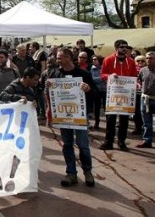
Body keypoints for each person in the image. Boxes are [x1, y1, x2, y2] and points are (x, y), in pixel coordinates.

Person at [47, 48, 96, 187]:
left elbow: (95, 93)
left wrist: (88, 89)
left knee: (82, 145)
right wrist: (48, 86)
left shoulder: (84, 74)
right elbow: (48, 91)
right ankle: (71, 173)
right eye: (57, 58)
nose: (57, 60)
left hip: (79, 115)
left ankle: (87, 171)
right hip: (63, 116)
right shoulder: (55, 73)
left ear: (69, 57)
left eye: (60, 57)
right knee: (67, 144)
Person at [99, 39, 138, 151]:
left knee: (124, 120)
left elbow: (134, 75)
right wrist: (110, 76)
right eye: (121, 47)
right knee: (110, 119)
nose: (124, 49)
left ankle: (122, 142)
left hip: (125, 94)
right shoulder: (108, 59)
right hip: (112, 93)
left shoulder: (131, 61)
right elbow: (102, 75)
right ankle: (108, 142)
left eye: (126, 46)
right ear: (116, 48)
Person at [137, 52, 155, 148]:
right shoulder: (142, 70)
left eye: (151, 58)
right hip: (145, 99)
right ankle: (147, 140)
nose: (149, 60)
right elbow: (139, 80)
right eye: (147, 58)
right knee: (146, 122)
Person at [90, 55, 106, 130]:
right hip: (97, 90)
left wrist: (103, 78)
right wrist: (103, 78)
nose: (93, 61)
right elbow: (93, 79)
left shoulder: (104, 67)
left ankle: (108, 123)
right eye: (92, 59)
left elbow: (107, 77)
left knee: (107, 108)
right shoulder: (92, 68)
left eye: (95, 59)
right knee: (97, 107)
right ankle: (97, 122)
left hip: (105, 90)